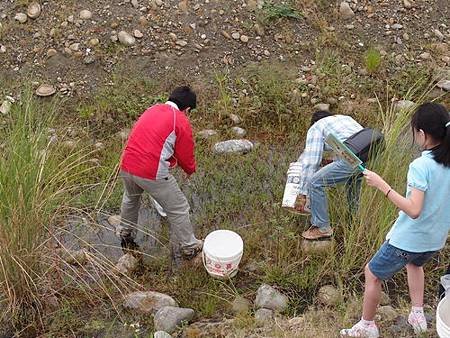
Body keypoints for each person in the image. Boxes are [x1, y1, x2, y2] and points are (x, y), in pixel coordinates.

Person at [340, 102, 450, 338]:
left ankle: (367, 326)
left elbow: (414, 210)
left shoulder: (421, 165)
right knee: (416, 264)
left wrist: (382, 185)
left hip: (408, 239)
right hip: (434, 240)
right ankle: (417, 314)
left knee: (372, 273)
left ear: (422, 133)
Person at [117, 86, 203, 266]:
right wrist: (190, 170)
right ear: (187, 109)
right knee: (179, 207)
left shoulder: (151, 109)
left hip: (126, 164)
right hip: (151, 171)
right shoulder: (179, 120)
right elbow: (185, 153)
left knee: (131, 199)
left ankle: (125, 232)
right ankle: (190, 247)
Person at [294, 111, 366, 240]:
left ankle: (322, 228)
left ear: (314, 122)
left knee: (314, 182)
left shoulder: (317, 127)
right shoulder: (345, 118)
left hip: (351, 157)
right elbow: (347, 145)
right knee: (353, 180)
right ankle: (354, 222)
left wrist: (302, 193)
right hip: (369, 154)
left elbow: (311, 161)